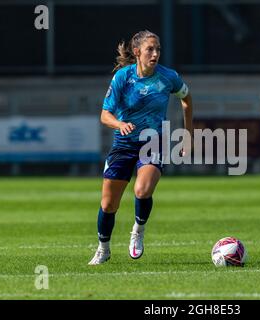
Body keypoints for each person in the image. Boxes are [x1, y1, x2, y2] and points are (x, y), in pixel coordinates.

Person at [88, 30, 193, 265]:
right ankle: (103, 248)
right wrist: (119, 123)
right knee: (108, 204)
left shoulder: (169, 77)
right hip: (123, 144)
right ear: (137, 52)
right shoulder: (123, 78)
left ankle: (138, 230)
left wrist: (188, 134)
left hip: (152, 141)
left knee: (142, 189)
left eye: (158, 49)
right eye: (150, 49)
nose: (155, 53)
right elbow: (105, 115)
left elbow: (186, 99)